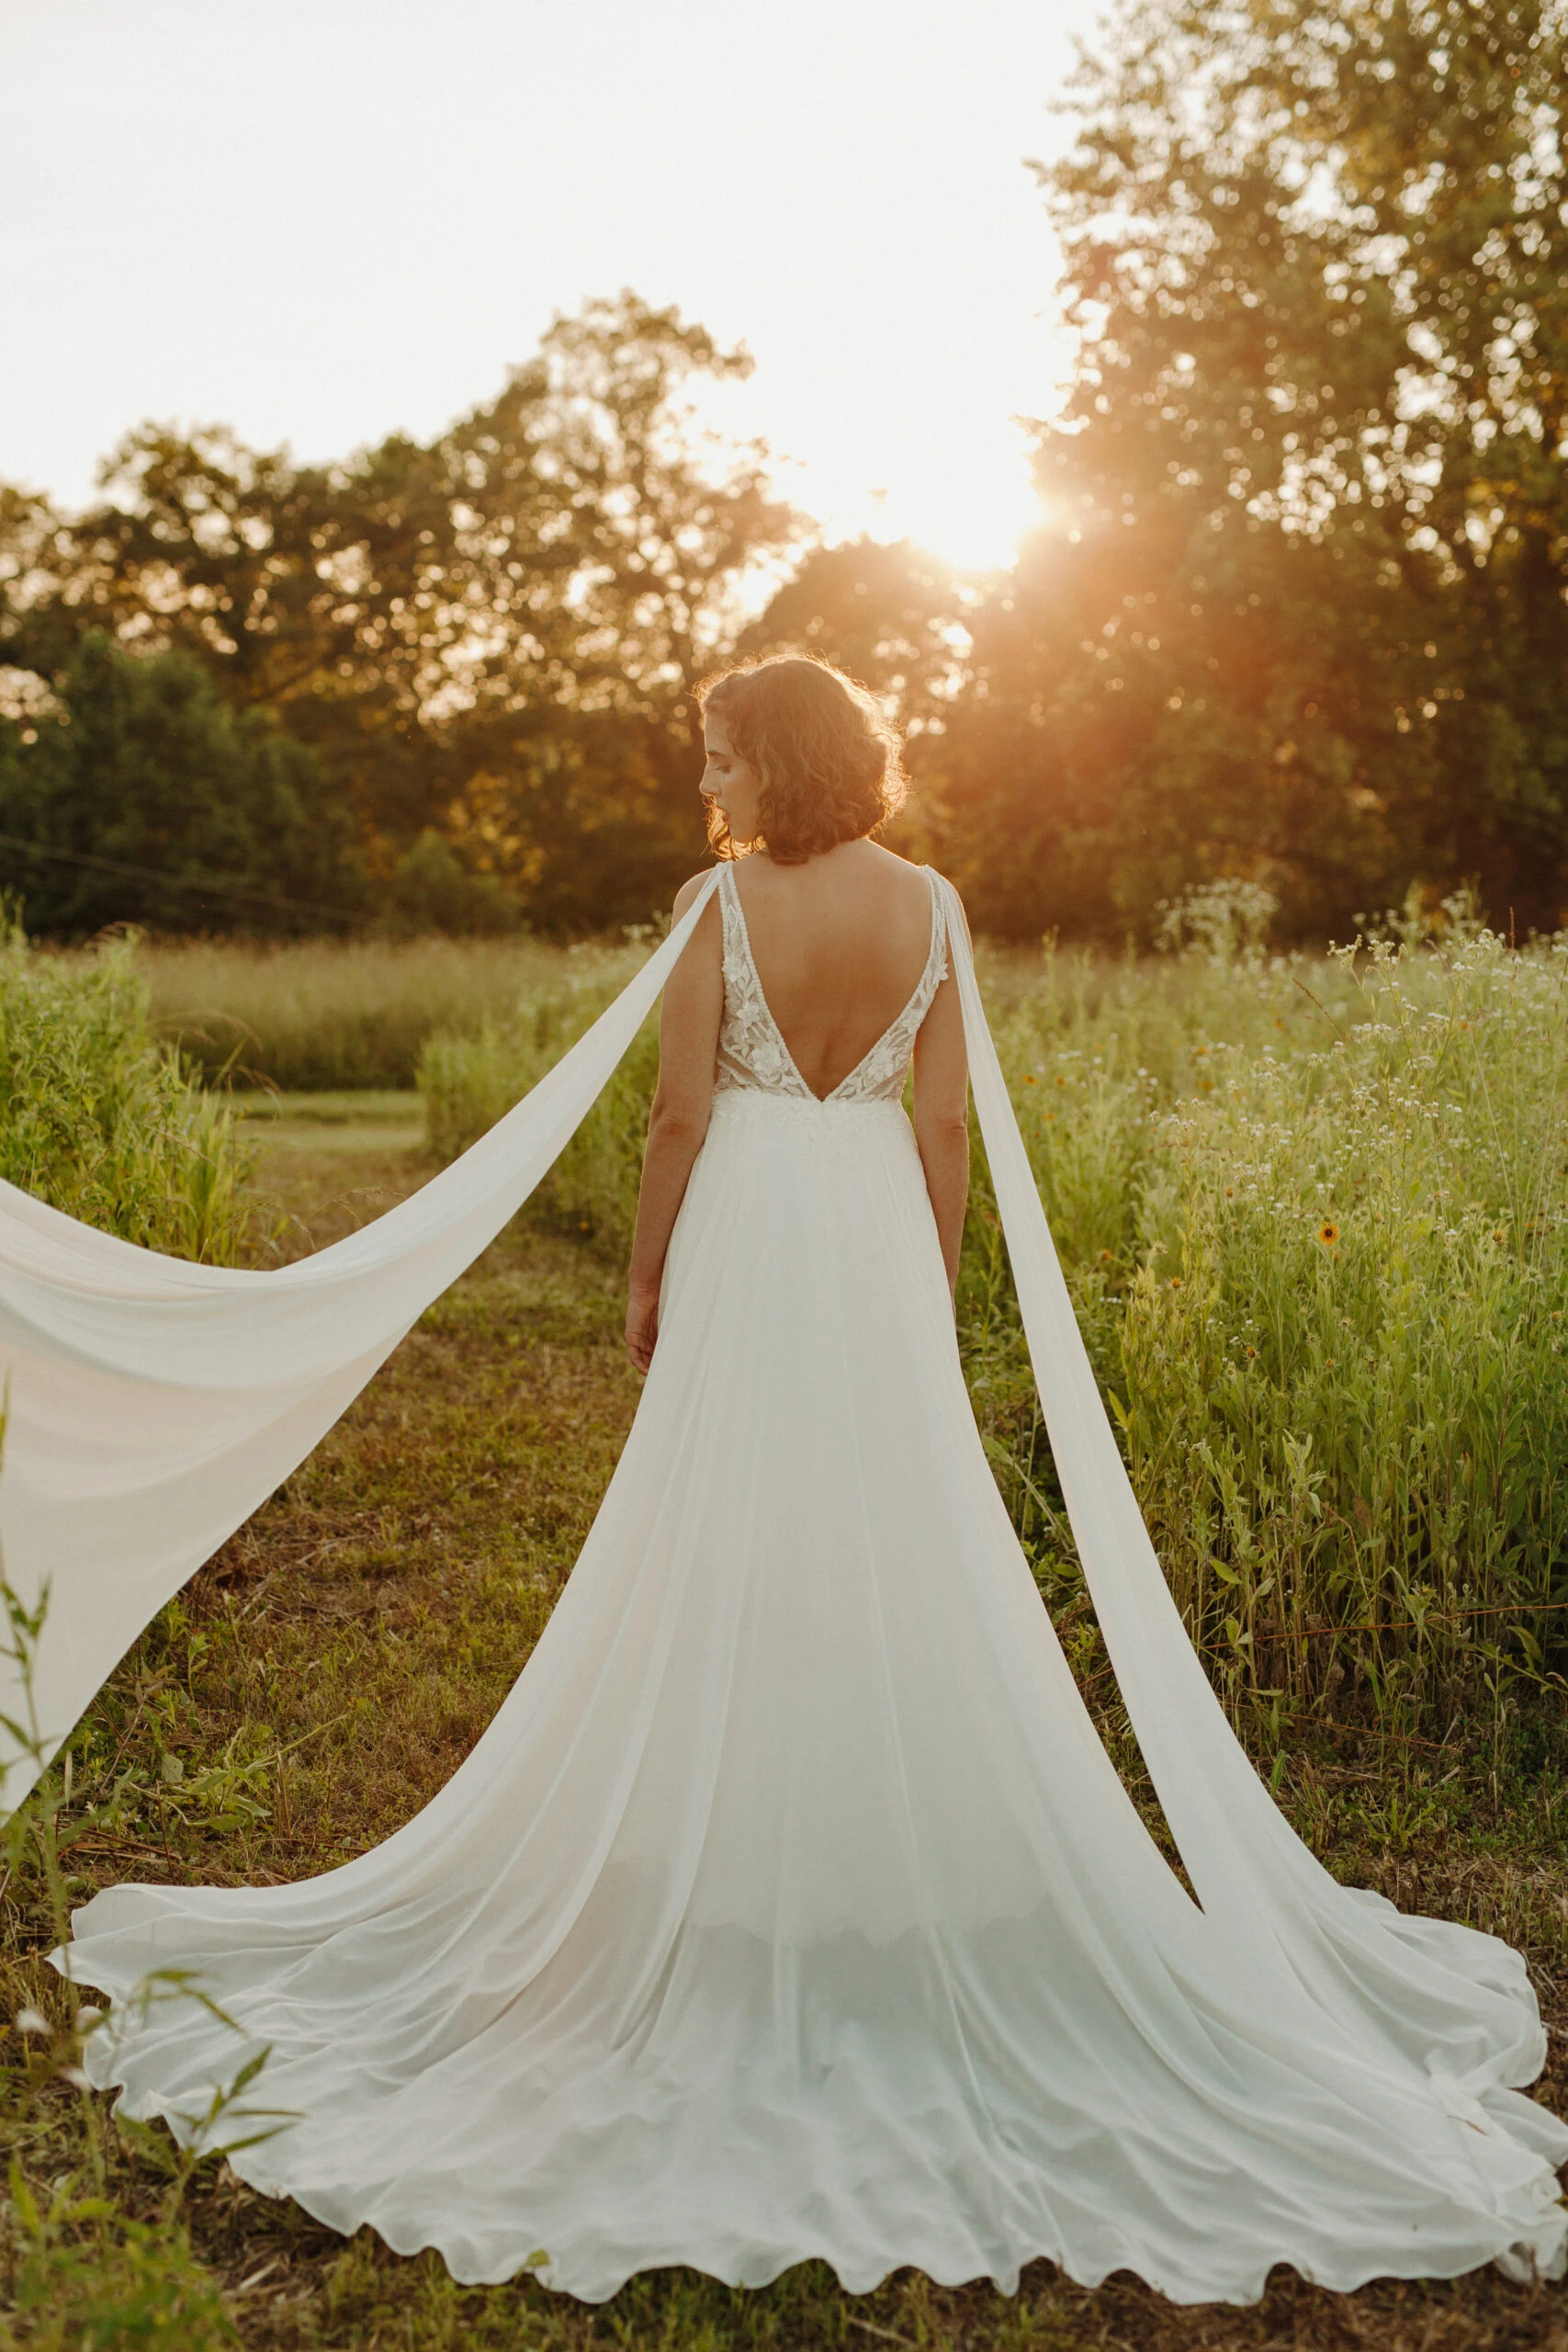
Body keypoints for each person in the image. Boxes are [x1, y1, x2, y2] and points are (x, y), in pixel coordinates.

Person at [62, 657, 1568, 2305]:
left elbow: (680, 1118)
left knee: (729, 1537)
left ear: (776, 763)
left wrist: (643, 1281)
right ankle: (883, 1865)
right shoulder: (935, 904)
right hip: (867, 1243)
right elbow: (942, 1132)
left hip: (753, 1235)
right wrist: (924, 1286)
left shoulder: (720, 909)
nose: (705, 777)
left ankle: (728, 1860)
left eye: (718, 751)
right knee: (899, 1551)